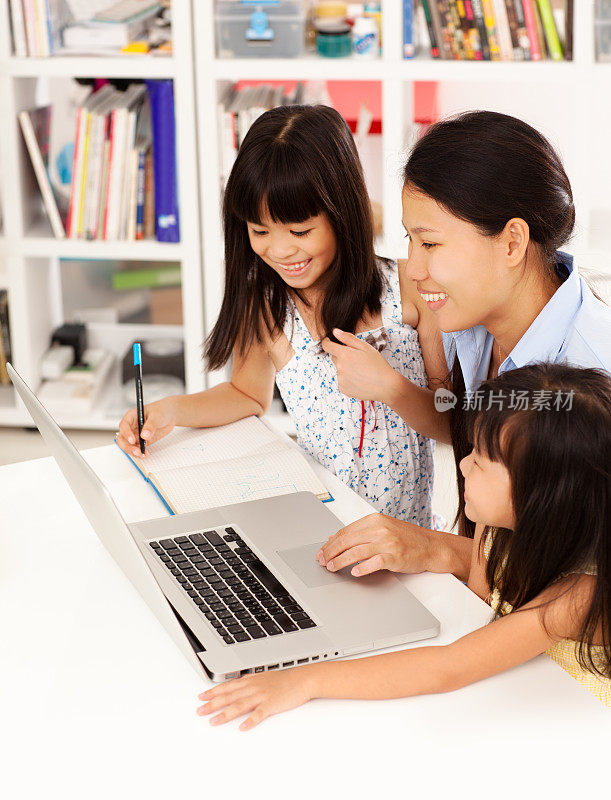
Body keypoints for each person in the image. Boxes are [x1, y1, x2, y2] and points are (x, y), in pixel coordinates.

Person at [196, 363, 611, 729]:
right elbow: (486, 594)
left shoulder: (579, 595)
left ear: (543, 497)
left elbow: (448, 668)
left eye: (481, 461)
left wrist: (305, 680)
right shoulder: (504, 531)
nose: (463, 465)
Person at [315, 110, 611, 580]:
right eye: (411, 241)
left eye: (430, 244)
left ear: (513, 242)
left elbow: (586, 585)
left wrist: (439, 550)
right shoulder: (469, 324)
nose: (413, 269)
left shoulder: (593, 371)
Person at [117, 105, 446, 527]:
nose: (280, 250)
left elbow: (451, 419)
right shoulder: (268, 308)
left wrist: (391, 388)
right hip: (323, 531)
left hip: (408, 540)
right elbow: (247, 394)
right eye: (259, 231)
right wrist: (172, 410)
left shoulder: (411, 291)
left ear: (341, 212)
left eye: (300, 231)